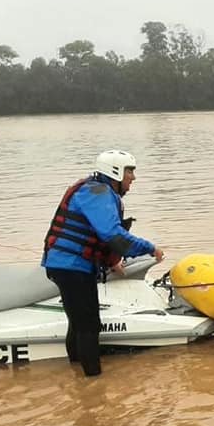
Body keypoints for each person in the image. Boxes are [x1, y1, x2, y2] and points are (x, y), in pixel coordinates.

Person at [42, 149, 165, 377]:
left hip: (69, 266)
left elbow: (100, 236)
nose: (133, 178)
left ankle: (79, 379)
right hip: (71, 267)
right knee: (88, 326)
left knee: (79, 323)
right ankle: (93, 379)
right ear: (116, 172)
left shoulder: (96, 191)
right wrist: (150, 248)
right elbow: (112, 234)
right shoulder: (98, 192)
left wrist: (111, 261)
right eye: (130, 171)